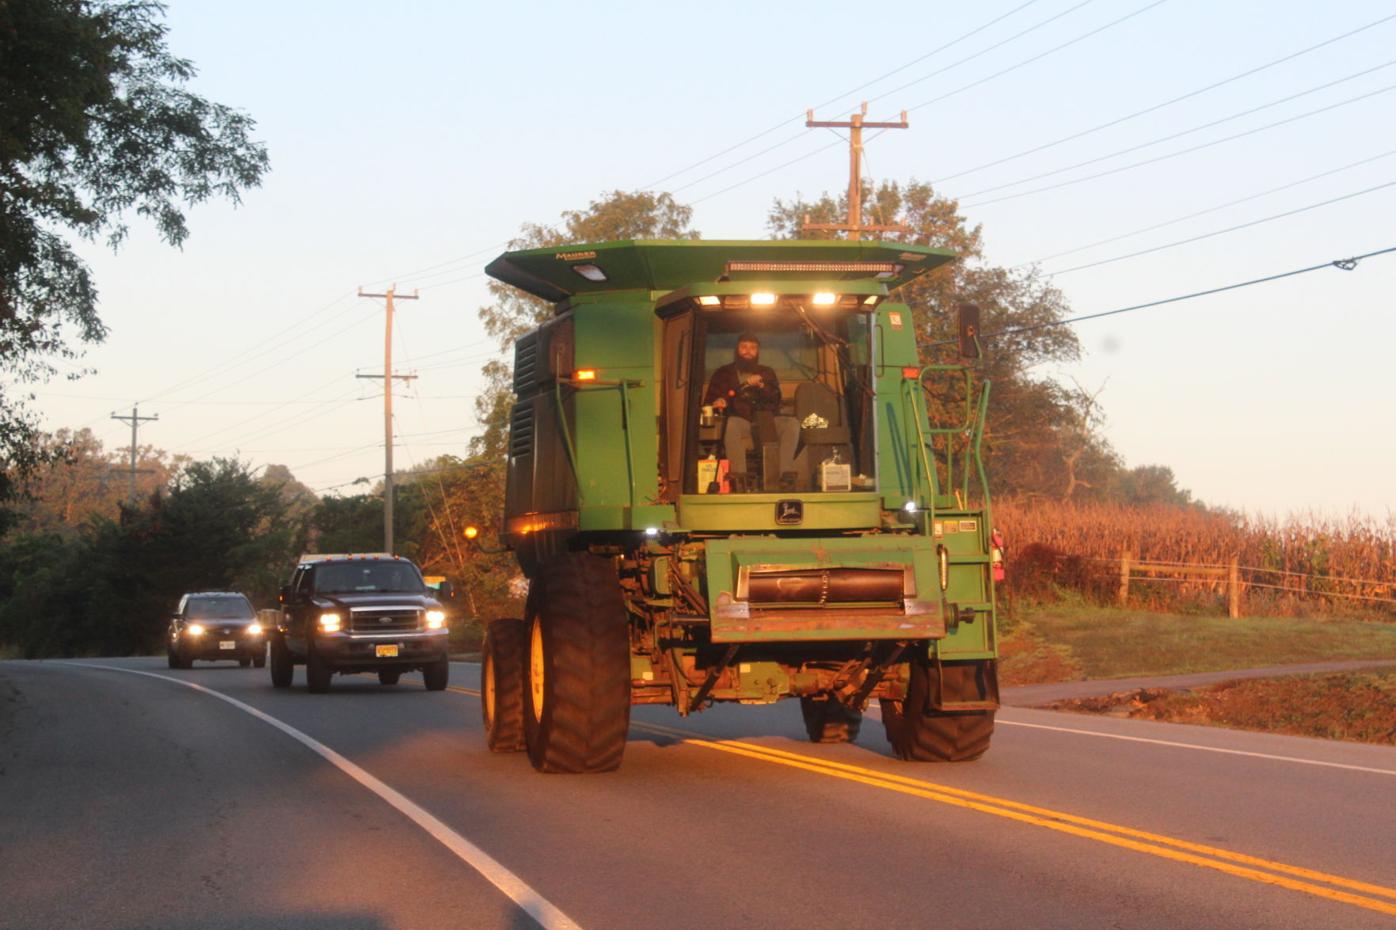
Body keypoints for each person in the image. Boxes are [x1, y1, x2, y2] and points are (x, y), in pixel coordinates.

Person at [702, 333, 799, 491]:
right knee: (731, 424)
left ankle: (783, 476)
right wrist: (718, 402)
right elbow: (709, 403)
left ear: (758, 351)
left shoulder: (766, 372)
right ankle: (740, 479)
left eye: (753, 348)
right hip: (741, 421)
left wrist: (761, 386)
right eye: (744, 347)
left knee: (792, 424)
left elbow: (775, 398)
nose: (748, 351)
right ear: (737, 349)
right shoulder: (723, 373)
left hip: (767, 420)